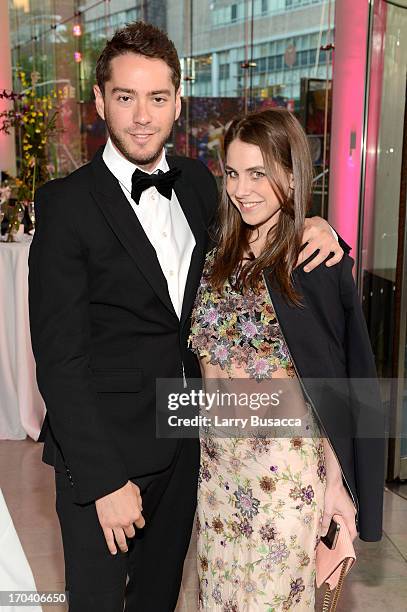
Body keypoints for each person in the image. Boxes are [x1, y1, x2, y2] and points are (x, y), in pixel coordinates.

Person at [28, 22, 345, 612]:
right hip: (107, 459)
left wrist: (315, 226)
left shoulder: (202, 185)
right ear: (100, 101)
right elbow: (59, 359)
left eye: (156, 98)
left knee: (159, 599)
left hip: (189, 450)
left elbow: (257, 233)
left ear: (178, 102)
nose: (142, 116)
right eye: (125, 97)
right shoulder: (66, 204)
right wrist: (103, 480)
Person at [189, 109, 384, 611]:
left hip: (284, 473)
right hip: (218, 470)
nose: (242, 189)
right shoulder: (216, 254)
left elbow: (337, 379)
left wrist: (336, 483)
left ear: (292, 173)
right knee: (220, 597)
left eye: (259, 173)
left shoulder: (311, 258)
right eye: (232, 173)